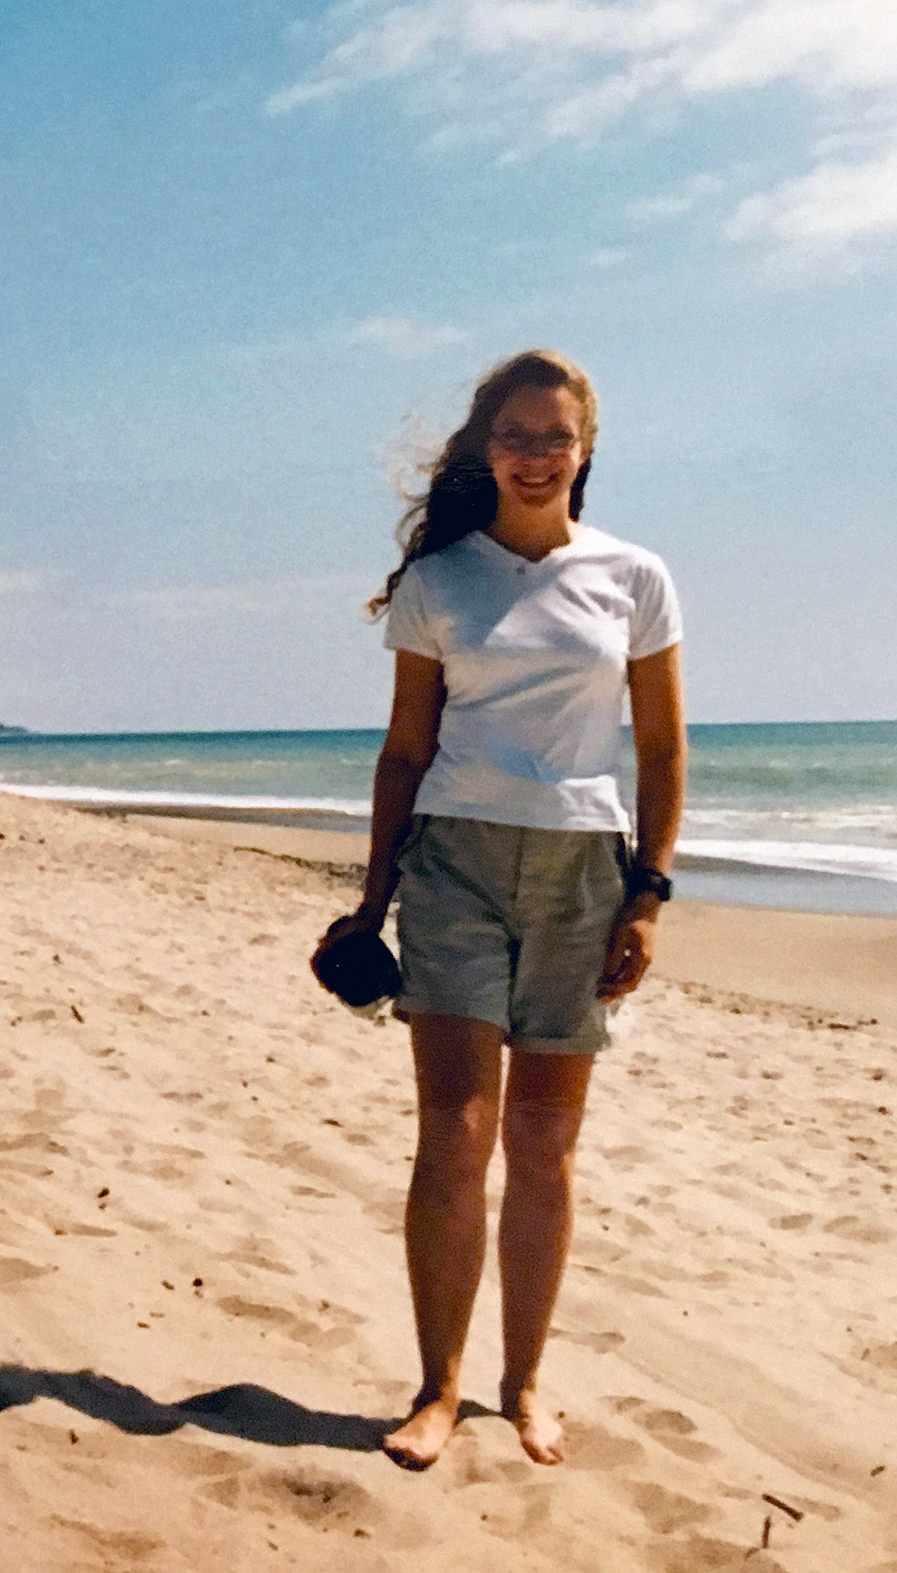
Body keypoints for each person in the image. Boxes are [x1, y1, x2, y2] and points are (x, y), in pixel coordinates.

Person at [318, 350, 685, 1471]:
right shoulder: (440, 584)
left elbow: (663, 748)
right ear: (485, 449)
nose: (534, 456)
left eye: (555, 437)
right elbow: (404, 749)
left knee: (541, 1140)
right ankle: (437, 1388)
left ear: (587, 451)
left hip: (583, 869)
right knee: (456, 1131)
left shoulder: (635, 577)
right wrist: (372, 897)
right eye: (514, 436)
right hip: (455, 868)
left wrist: (649, 893)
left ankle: (522, 1385)